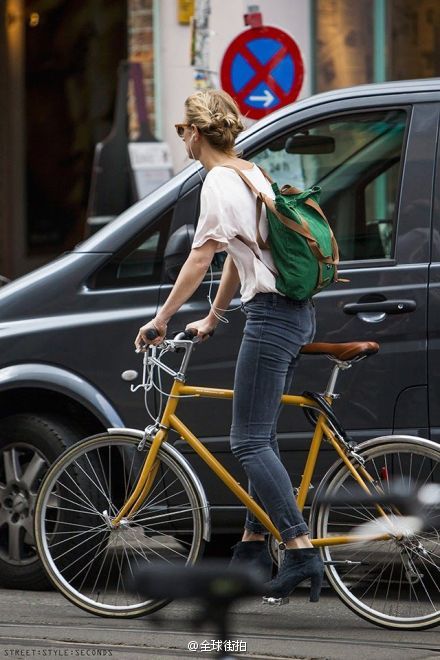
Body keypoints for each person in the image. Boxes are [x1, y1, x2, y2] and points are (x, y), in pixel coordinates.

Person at [134, 89, 324, 604]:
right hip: (293, 314)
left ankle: (301, 548)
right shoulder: (248, 170)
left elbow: (202, 258)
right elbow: (240, 257)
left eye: (182, 133)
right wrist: (212, 319)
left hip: (272, 320)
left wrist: (162, 319)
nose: (184, 143)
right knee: (258, 435)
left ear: (195, 133)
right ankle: (252, 546)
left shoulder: (217, 180)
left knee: (247, 442)